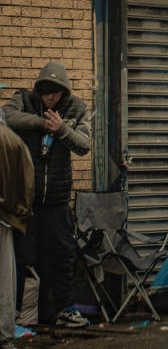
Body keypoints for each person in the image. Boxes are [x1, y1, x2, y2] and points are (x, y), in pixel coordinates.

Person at [2, 62, 90, 328]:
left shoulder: (76, 108)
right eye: (44, 92)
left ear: (63, 91)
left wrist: (61, 129)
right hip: (26, 201)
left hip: (57, 200)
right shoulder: (25, 100)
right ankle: (13, 314)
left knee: (64, 255)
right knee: (20, 258)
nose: (48, 98)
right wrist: (43, 124)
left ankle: (64, 309)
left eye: (54, 93)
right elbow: (9, 117)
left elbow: (84, 145)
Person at [1, 111, 34, 349]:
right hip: (7, 219)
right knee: (5, 280)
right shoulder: (14, 140)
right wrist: (19, 214)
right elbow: (27, 183)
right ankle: (4, 334)